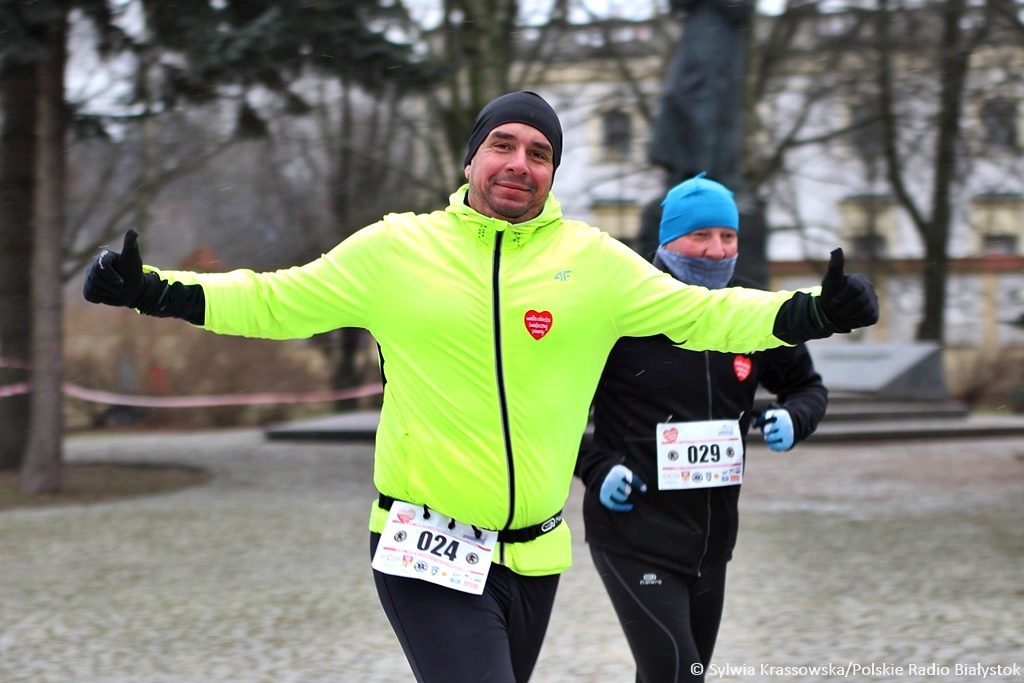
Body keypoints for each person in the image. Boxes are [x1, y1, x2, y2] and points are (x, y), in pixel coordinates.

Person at [82, 91, 877, 683]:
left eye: (540, 153)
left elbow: (704, 314)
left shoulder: (592, 261)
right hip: (425, 543)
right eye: (503, 144)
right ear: (471, 159)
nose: (520, 163)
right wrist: (152, 291)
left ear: (552, 174)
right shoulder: (397, 250)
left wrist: (813, 311)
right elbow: (274, 300)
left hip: (534, 553)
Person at [576, 174, 830, 683]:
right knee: (677, 673)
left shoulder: (752, 311)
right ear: (668, 240)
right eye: (700, 236)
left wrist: (794, 417)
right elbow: (548, 409)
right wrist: (597, 468)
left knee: (679, 672)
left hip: (711, 539)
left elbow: (807, 387)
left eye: (728, 236)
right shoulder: (622, 309)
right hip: (634, 533)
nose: (717, 250)